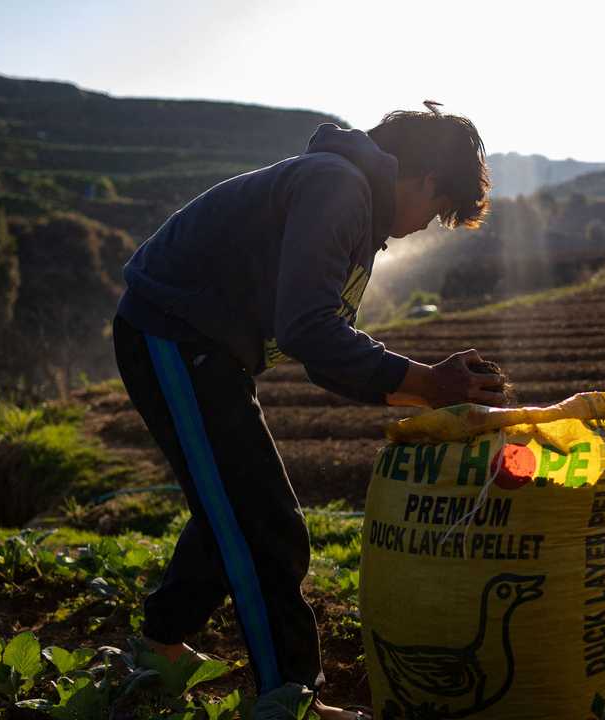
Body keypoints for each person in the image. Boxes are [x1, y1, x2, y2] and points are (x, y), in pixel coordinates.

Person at [112, 102, 503, 719]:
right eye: (435, 210)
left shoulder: (357, 208)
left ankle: (158, 649)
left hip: (207, 349)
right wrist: (423, 380)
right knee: (264, 521)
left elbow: (324, 350)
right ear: (424, 177)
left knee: (237, 506)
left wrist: (427, 393)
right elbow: (307, 329)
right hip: (172, 335)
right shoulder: (338, 187)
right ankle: (288, 698)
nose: (423, 226)